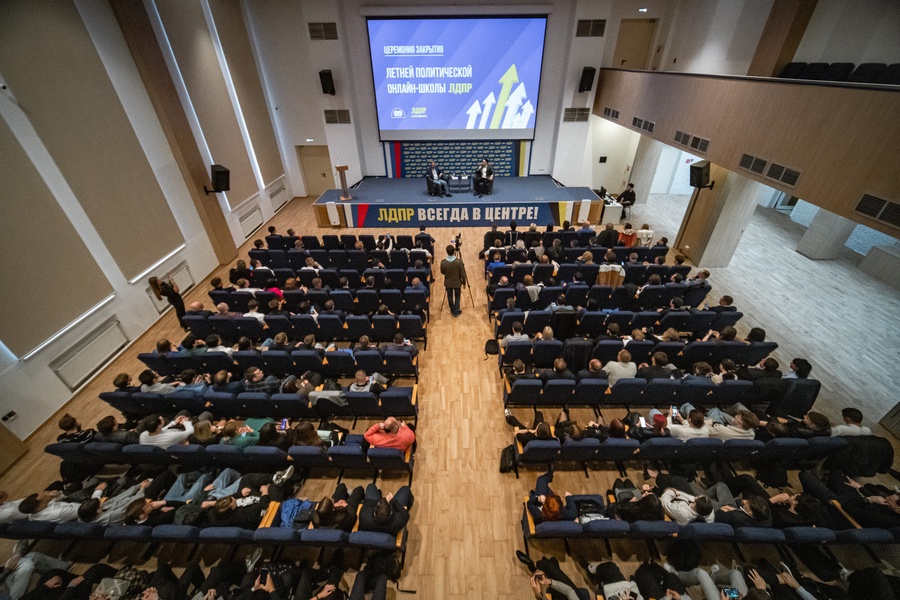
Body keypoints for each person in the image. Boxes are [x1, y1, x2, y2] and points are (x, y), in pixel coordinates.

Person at [439, 244, 467, 318]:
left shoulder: (443, 262)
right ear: (454, 251)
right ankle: (456, 311)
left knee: (450, 296)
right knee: (457, 296)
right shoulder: (459, 262)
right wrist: (464, 282)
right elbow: (462, 274)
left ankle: (452, 309)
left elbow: (442, 272)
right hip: (457, 283)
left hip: (448, 282)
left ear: (447, 252)